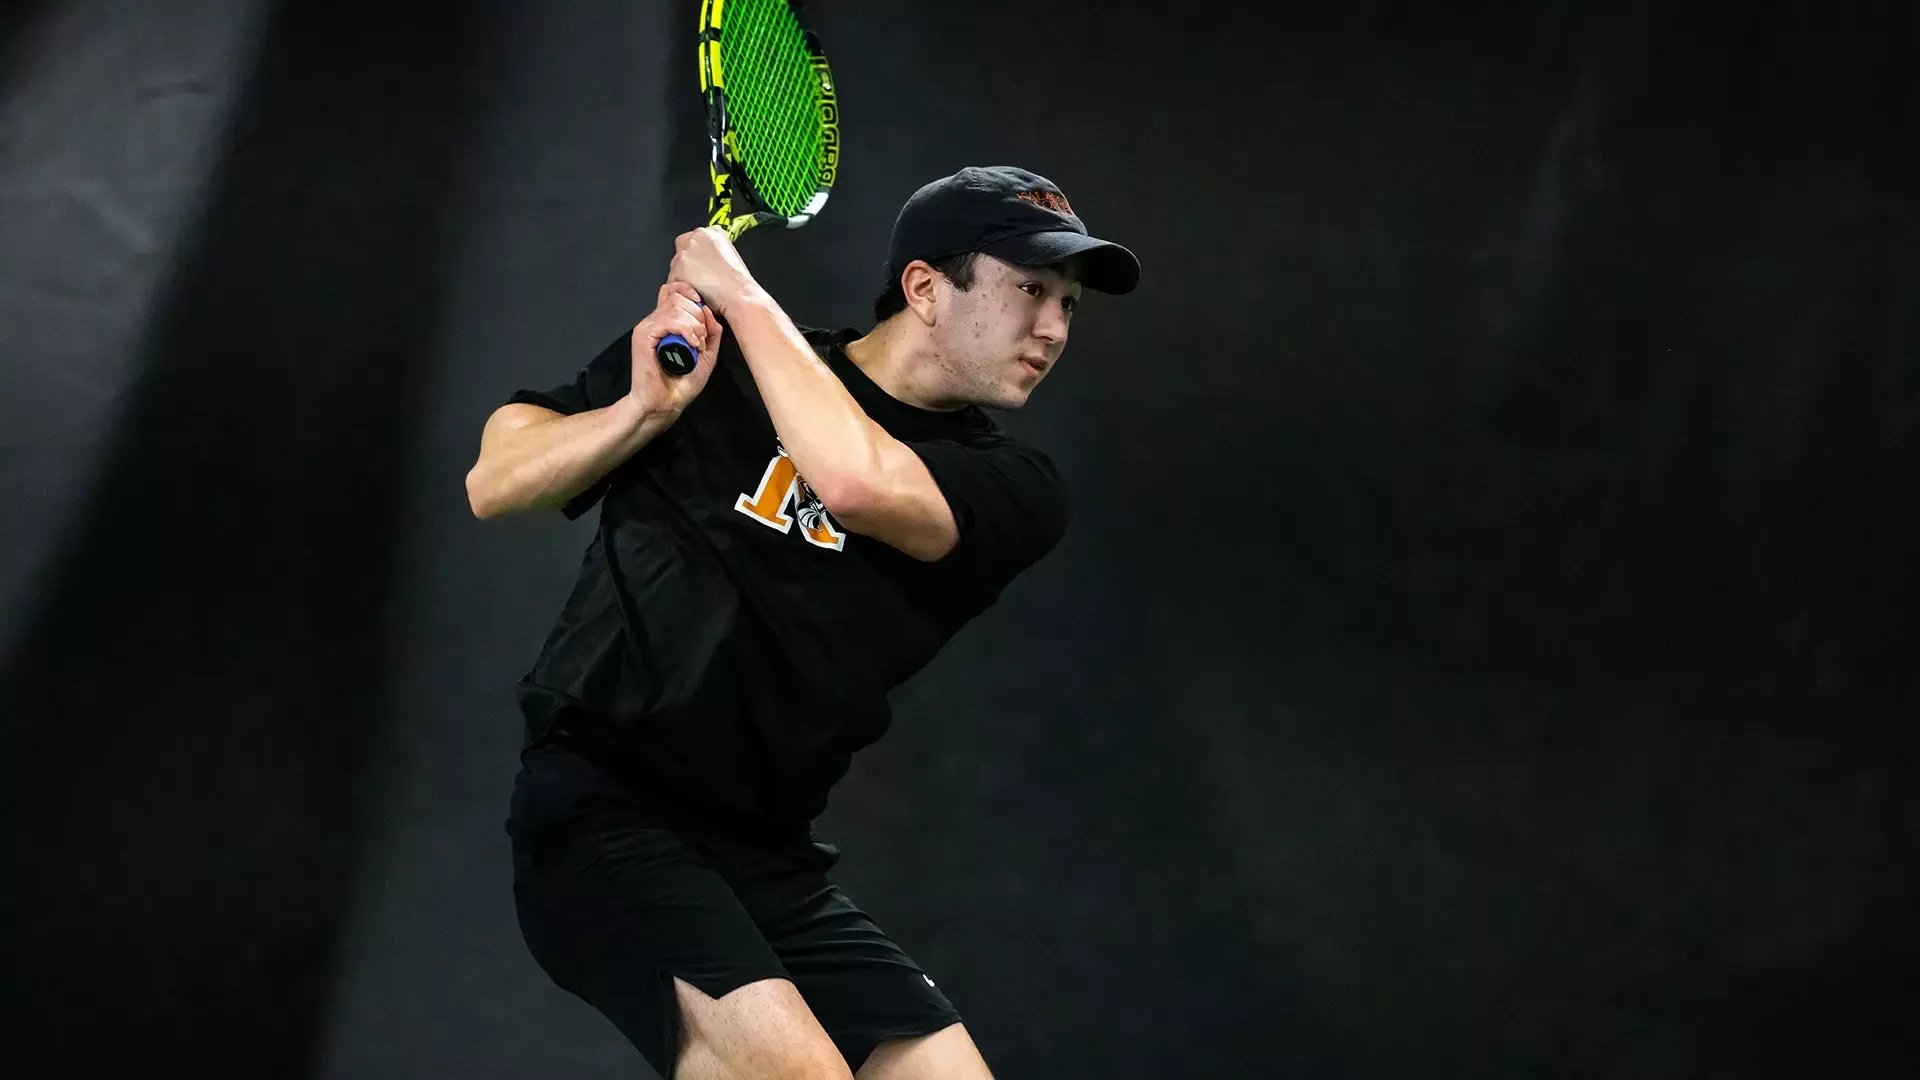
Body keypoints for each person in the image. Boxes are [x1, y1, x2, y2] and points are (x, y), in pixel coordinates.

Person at [465, 165, 1139, 1080]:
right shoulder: (722, 369)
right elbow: (495, 481)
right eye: (1030, 290)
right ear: (924, 288)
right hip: (602, 814)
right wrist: (639, 412)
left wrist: (741, 296)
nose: (1054, 329)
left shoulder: (1015, 489)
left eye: (1069, 304)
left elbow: (855, 482)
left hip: (764, 855)